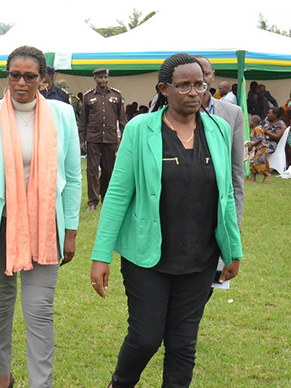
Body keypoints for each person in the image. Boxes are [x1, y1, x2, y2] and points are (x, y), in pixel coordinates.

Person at [90, 53, 242, 388]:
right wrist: (100, 256)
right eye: (184, 85)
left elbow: (227, 194)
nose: (194, 92)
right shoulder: (141, 129)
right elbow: (117, 194)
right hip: (148, 257)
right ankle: (120, 383)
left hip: (200, 258)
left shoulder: (218, 129)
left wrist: (233, 250)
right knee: (145, 338)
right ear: (164, 89)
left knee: (183, 343)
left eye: (199, 84)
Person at [0, 46, 81, 388]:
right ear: (7, 75)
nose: (21, 82)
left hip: (47, 227)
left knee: (39, 311)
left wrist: (70, 232)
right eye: (14, 74)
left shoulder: (63, 115)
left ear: (43, 79)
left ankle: (40, 383)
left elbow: (73, 178)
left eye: (30, 76)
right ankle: (3, 375)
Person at [195, 56, 245, 228]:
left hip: (218, 204)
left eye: (205, 74)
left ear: (213, 76)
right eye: (195, 74)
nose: (201, 79)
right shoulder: (169, 114)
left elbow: (236, 170)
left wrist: (236, 220)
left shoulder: (233, 114)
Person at [78, 67, 127, 211]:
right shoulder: (88, 97)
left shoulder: (116, 95)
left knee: (108, 170)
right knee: (92, 170)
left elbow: (122, 119)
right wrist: (82, 140)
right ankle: (93, 201)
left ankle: (106, 196)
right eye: (100, 78)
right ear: (95, 79)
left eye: (105, 77)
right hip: (93, 138)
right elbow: (83, 121)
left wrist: (124, 137)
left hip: (110, 138)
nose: (103, 80)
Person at [246, 115, 271, 182]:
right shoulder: (253, 130)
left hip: (262, 149)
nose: (248, 123)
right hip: (257, 149)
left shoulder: (258, 129)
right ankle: (253, 179)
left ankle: (266, 174)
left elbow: (260, 139)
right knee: (251, 162)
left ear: (253, 122)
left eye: (249, 121)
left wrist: (252, 145)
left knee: (258, 163)